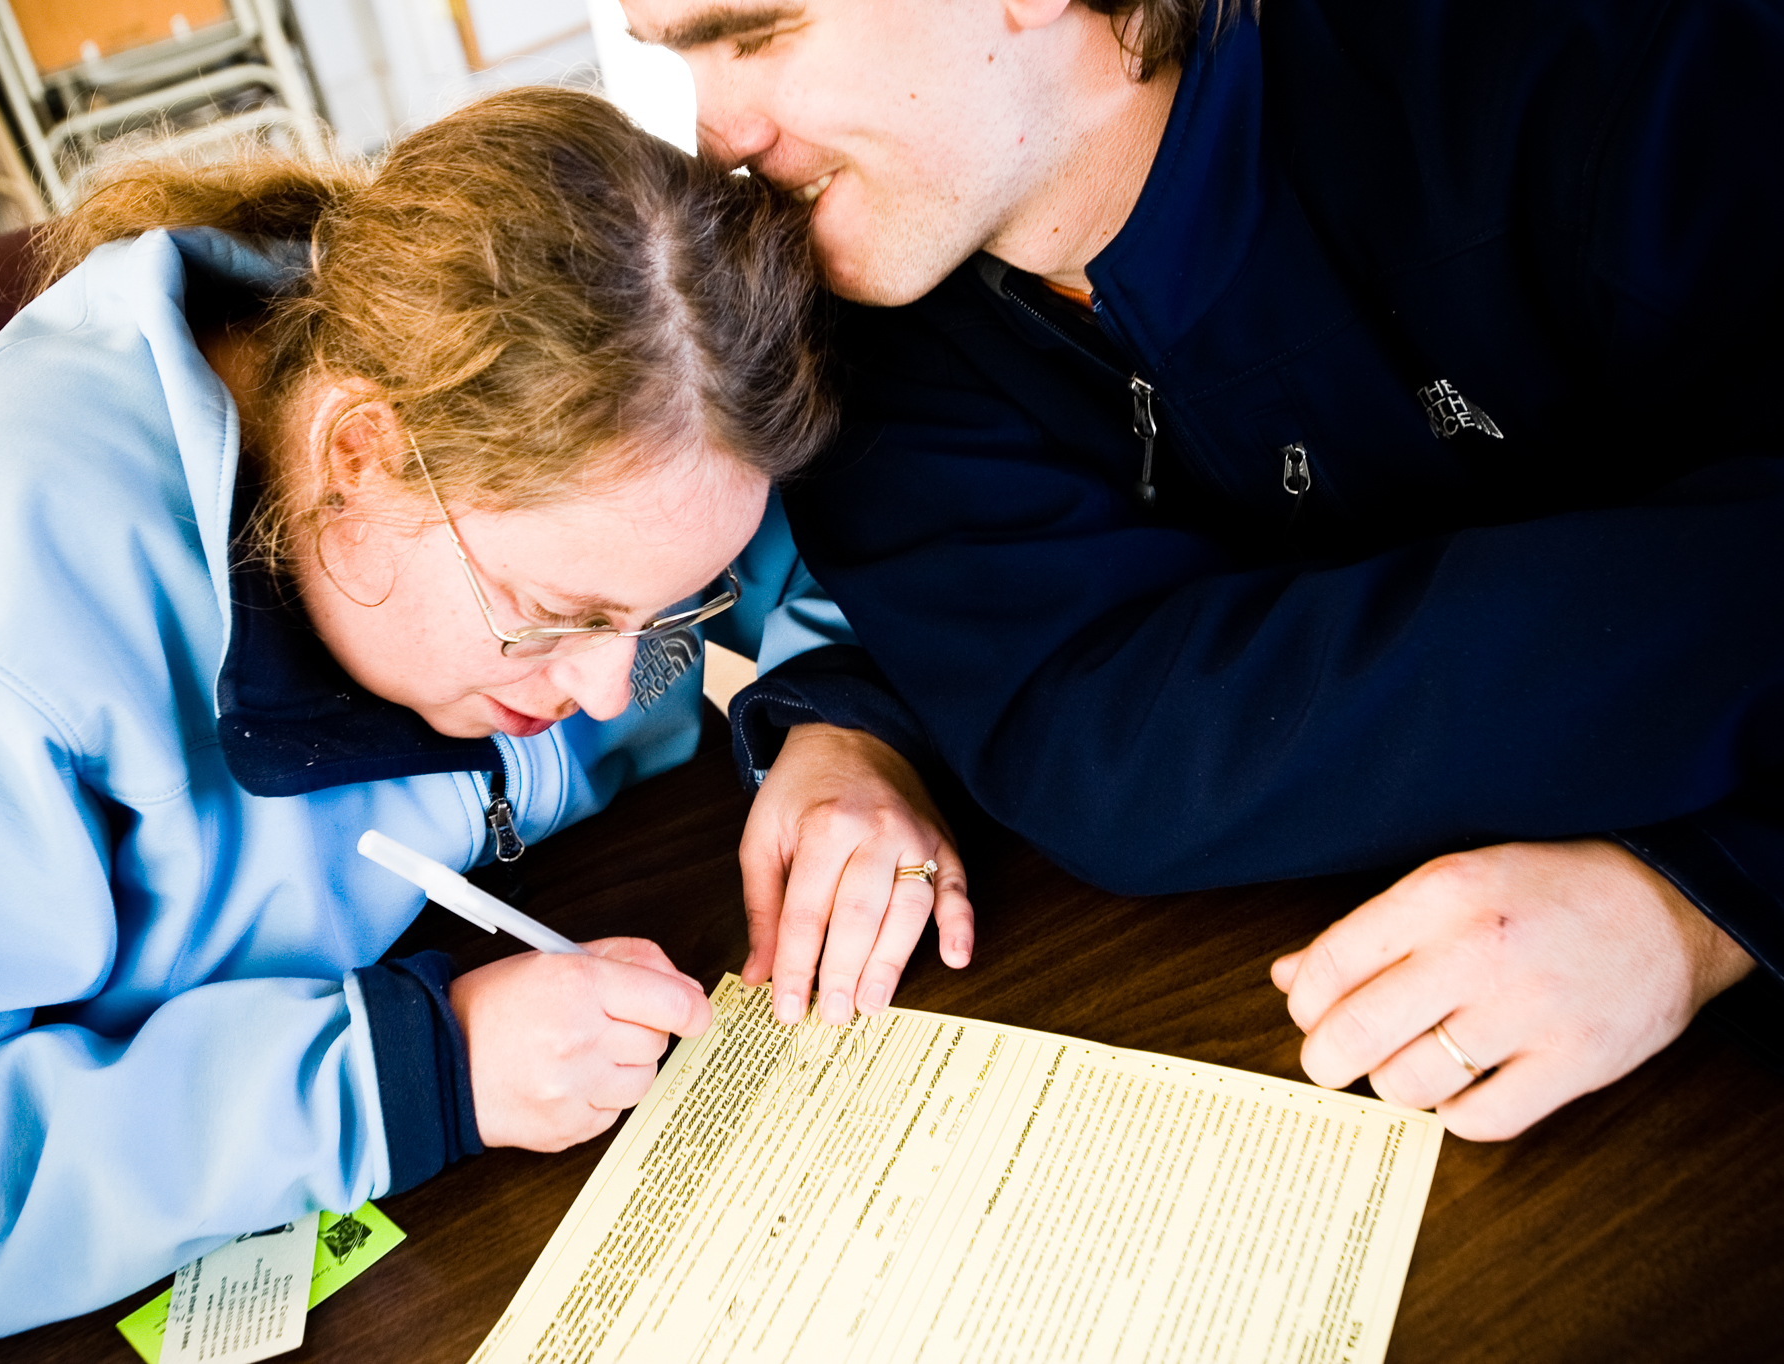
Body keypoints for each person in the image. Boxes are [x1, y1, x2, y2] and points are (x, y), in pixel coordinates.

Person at [0, 87, 874, 1363]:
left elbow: (847, 536)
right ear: (358, 453)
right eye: (553, 615)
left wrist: (837, 718)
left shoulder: (602, 387)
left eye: (673, 613)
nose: (617, 688)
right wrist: (408, 1069)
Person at [621, 0, 1784, 1139]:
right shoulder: (863, 333)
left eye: (760, 32)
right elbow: (1096, 746)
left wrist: (1702, 900)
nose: (722, 134)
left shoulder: (1612, 70)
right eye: (683, 58)